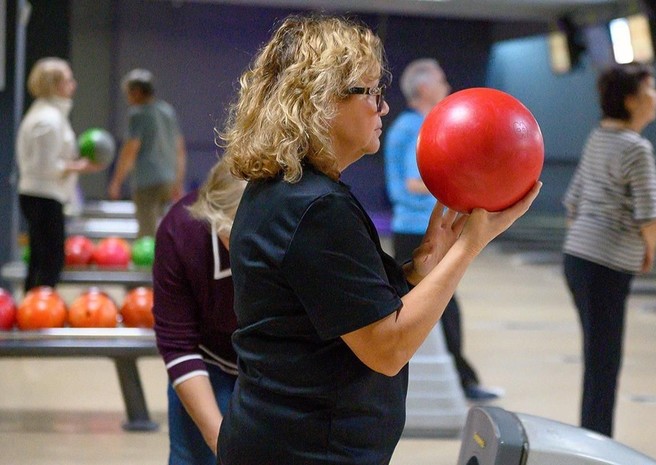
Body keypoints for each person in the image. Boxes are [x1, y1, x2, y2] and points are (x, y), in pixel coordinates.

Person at [216, 15, 540, 465]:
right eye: (370, 92)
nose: (383, 108)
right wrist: (472, 245)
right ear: (321, 101)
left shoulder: (284, 190)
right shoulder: (317, 208)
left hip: (282, 439)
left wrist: (419, 270)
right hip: (306, 451)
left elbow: (338, 311)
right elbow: (387, 349)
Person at [384, 58, 499, 402]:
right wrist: (463, 182)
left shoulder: (414, 125)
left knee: (441, 304)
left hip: (418, 227)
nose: (448, 86)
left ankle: (462, 378)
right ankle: (462, 381)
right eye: (441, 81)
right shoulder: (414, 126)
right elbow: (413, 182)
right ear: (423, 89)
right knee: (441, 304)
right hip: (418, 228)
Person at [562, 62, 656, 438]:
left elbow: (572, 201)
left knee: (598, 357)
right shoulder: (637, 148)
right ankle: (596, 443)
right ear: (631, 101)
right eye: (651, 89)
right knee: (604, 361)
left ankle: (594, 437)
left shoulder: (598, 137)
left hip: (578, 260)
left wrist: (585, 244)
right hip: (605, 265)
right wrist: (648, 251)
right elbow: (650, 215)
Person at [152, 159, 246, 465]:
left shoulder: (300, 232)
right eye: (237, 239)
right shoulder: (179, 232)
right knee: (193, 456)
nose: (251, 251)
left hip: (273, 364)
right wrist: (217, 440)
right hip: (208, 358)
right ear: (214, 221)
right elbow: (178, 344)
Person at [16, 57, 101, 291]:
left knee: (41, 258)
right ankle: (39, 314)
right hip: (43, 196)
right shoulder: (48, 119)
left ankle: (34, 308)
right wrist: (80, 166)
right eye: (68, 79)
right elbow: (45, 166)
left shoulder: (48, 114)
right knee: (50, 261)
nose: (73, 84)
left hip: (41, 195)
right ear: (55, 84)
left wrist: (75, 165)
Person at [108, 68, 187, 239]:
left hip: (147, 181)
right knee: (166, 232)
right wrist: (178, 181)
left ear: (136, 92)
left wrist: (117, 181)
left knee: (147, 236)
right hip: (168, 179)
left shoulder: (138, 114)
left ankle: (148, 267)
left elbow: (130, 150)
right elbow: (179, 148)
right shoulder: (167, 111)